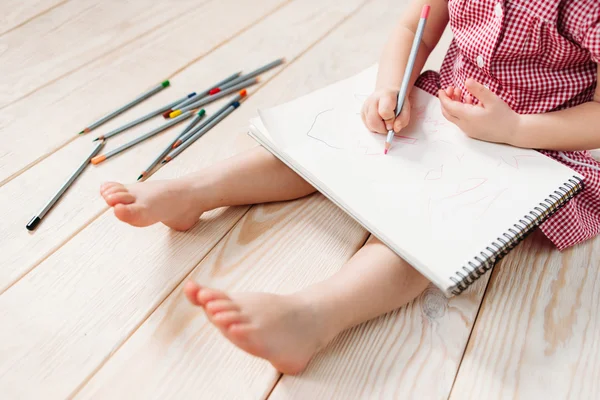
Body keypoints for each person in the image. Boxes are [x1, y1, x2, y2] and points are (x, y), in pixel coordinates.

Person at [100, 0, 600, 375]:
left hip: (534, 146)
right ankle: (194, 191)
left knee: (423, 233)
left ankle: (312, 317)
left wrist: (516, 131)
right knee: (319, 151)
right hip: (438, 106)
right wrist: (392, 85)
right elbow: (414, 26)